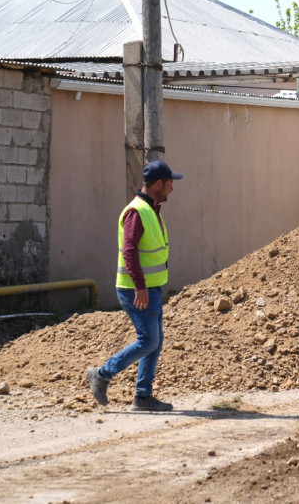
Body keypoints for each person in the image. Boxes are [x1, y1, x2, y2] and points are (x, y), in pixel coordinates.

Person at [87, 160, 183, 412]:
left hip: (151, 289)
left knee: (155, 341)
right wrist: (140, 286)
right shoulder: (136, 212)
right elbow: (129, 251)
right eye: (170, 184)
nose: (172, 189)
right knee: (149, 340)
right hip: (137, 290)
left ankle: (143, 397)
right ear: (158, 184)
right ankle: (101, 374)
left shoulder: (150, 209)